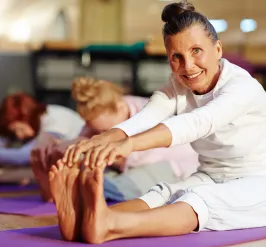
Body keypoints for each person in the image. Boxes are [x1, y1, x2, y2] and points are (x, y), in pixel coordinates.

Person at [49, 1, 266, 243]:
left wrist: (128, 146)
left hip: (257, 181)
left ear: (217, 49)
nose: (188, 66)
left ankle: (108, 224)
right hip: (210, 174)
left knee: (197, 202)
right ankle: (80, 221)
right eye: (177, 57)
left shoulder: (242, 87)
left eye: (196, 51)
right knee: (163, 192)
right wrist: (101, 140)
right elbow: (146, 116)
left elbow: (198, 122)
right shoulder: (178, 84)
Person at [33, 77, 199, 202]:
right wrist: (68, 147)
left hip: (174, 166)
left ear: (120, 106)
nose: (102, 134)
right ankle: (64, 187)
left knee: (124, 188)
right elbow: (85, 138)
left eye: (106, 131)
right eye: (97, 130)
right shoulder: (102, 114)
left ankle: (67, 190)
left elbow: (125, 155)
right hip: (129, 165)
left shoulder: (147, 112)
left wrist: (88, 150)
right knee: (91, 173)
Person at [0, 92, 84, 185]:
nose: (19, 135)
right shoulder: (42, 118)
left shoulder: (55, 119)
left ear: (27, 117)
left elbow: (23, 156)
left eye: (20, 129)